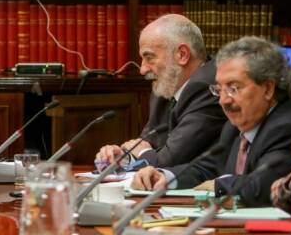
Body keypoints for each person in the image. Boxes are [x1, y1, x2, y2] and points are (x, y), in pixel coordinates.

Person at [132, 37, 291, 207]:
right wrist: (165, 177)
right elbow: (207, 168)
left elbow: (262, 186)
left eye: (233, 88)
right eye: (219, 90)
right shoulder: (235, 126)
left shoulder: (287, 126)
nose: (223, 100)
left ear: (268, 89)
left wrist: (218, 185)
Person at [95, 14, 225, 169]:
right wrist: (122, 156)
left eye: (149, 57)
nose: (142, 70)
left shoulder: (209, 87)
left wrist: (142, 152)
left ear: (182, 55)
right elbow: (147, 144)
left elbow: (169, 161)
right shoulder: (167, 86)